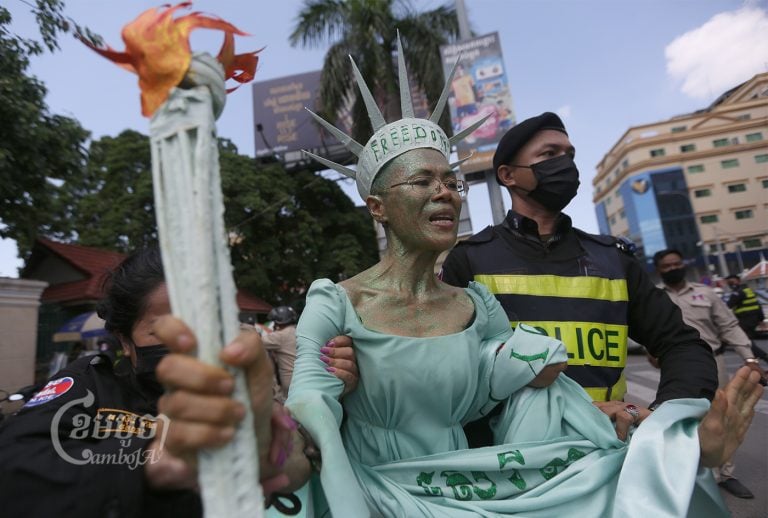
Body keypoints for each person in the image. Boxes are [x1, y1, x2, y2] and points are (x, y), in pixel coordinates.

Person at [154, 39, 763, 517]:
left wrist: (659, 431)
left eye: (450, 180)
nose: (445, 193)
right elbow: (311, 424)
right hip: (376, 492)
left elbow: (527, 399)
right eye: (422, 182)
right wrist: (268, 439)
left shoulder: (481, 305)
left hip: (482, 488)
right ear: (378, 205)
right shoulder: (336, 303)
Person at [0, 247, 357, 517]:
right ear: (125, 340)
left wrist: (285, 445)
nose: (191, 341)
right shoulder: (89, 386)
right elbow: (13, 468)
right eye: (164, 329)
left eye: (206, 324)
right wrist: (151, 462)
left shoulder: (233, 388)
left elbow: (290, 451)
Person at [440, 111, 718, 446]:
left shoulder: (615, 260)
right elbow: (447, 368)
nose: (566, 164)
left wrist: (663, 415)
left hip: (604, 450)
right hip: (507, 461)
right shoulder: (469, 259)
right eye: (549, 154)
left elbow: (683, 345)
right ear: (508, 175)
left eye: (569, 155)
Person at [654, 248, 765, 499]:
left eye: (676, 263)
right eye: (666, 266)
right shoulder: (655, 297)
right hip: (674, 367)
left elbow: (729, 326)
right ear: (658, 270)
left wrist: (749, 358)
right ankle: (691, 475)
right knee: (680, 420)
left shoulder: (705, 294)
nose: (673, 269)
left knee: (723, 417)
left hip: (712, 362)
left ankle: (725, 475)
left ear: (683, 264)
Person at [725, 273, 768, 363]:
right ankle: (755, 360)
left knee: (745, 341)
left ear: (738, 281)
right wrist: (761, 320)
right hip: (750, 320)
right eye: (729, 282)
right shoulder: (748, 290)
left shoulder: (738, 292)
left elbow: (728, 306)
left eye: (732, 281)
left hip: (746, 320)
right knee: (746, 341)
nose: (730, 283)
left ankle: (762, 357)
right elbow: (757, 305)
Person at [262, 305, 298, 402]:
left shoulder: (279, 336)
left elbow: (255, 342)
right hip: (303, 378)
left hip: (291, 384)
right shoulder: (297, 331)